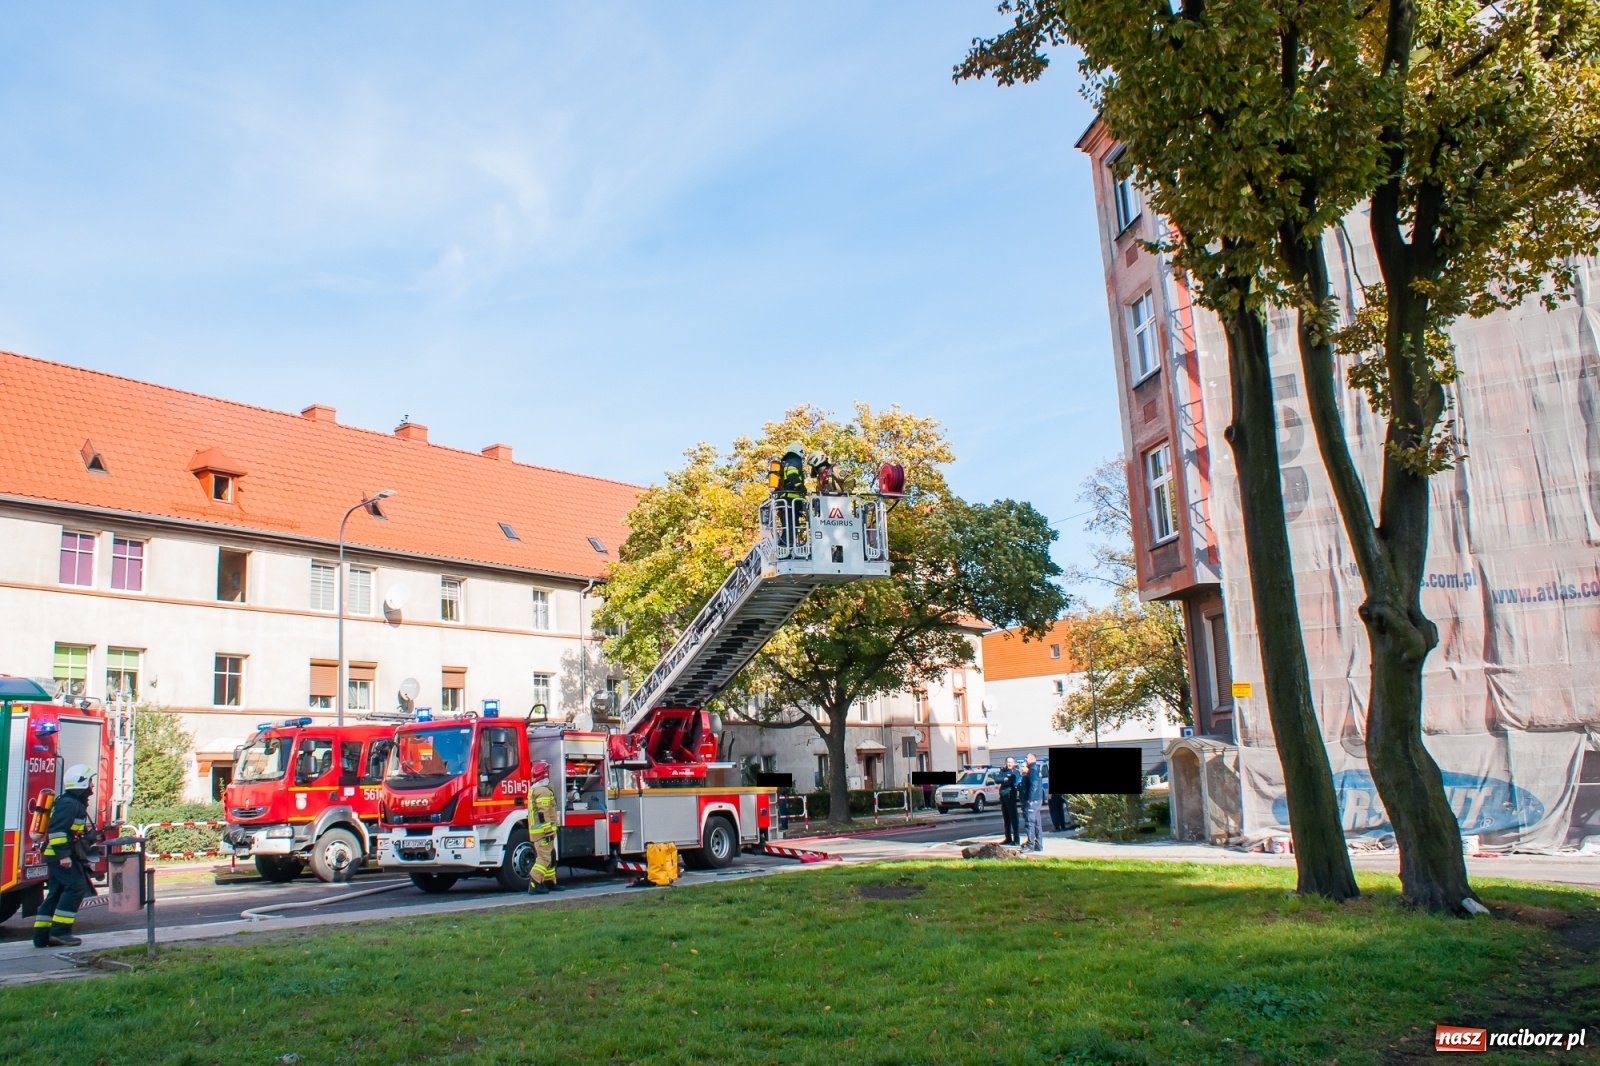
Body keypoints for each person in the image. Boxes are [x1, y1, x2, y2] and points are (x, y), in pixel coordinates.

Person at [33, 763, 96, 948]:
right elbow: (57, 831)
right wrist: (64, 856)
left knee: (56, 892)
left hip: (60, 855)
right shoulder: (69, 804)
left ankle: (42, 936)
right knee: (75, 888)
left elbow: (69, 831)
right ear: (82, 783)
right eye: (90, 782)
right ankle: (60, 933)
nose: (92, 786)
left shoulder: (70, 802)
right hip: (60, 856)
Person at [526, 761, 562, 895]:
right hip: (543, 832)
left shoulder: (537, 790)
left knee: (550, 855)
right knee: (544, 858)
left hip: (541, 832)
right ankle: (534, 884)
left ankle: (549, 881)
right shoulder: (543, 791)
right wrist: (548, 830)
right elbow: (543, 813)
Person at [1022, 752, 1046, 853]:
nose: (1026, 759)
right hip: (1037, 799)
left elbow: (1034, 785)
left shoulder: (1032, 770)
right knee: (1037, 823)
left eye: (1027, 758)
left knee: (1030, 822)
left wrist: (1030, 800)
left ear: (1032, 758)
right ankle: (1039, 845)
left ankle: (1030, 844)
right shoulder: (1035, 769)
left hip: (1033, 800)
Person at [997, 757, 1021, 846]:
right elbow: (996, 779)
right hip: (1003, 796)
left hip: (1010, 796)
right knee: (1006, 818)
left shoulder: (1015, 772)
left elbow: (1012, 782)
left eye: (1011, 762)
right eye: (1008, 762)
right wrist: (1004, 780)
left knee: (1013, 818)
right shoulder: (1003, 771)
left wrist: (1004, 781)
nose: (1009, 764)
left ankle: (1016, 839)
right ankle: (1008, 838)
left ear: (1014, 763)